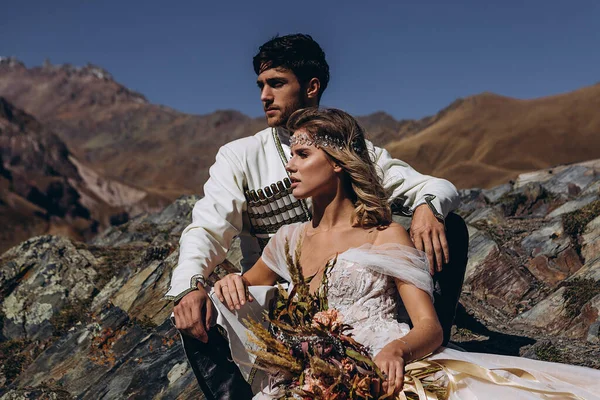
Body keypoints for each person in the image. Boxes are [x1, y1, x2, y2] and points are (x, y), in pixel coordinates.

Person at [213, 108, 600, 399]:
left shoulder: (384, 235)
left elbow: (429, 328)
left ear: (336, 164)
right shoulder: (287, 239)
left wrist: (396, 351)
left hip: (386, 366)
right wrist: (227, 280)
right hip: (310, 373)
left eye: (301, 155)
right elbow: (242, 289)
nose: (289, 165)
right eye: (290, 154)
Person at [165, 34, 466, 399]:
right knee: (195, 307)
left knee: (449, 224)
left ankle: (430, 342)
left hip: (364, 314)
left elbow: (432, 186)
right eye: (260, 85)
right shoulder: (240, 156)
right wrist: (191, 283)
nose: (264, 96)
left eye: (276, 84)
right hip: (276, 301)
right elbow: (207, 227)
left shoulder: (351, 148)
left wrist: (426, 208)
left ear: (311, 87)